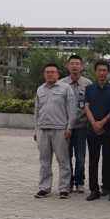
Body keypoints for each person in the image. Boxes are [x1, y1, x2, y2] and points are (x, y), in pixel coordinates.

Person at [34, 63, 77, 198]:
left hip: (60, 130)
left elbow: (72, 109)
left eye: (52, 72)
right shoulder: (40, 89)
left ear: (58, 74)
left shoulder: (65, 88)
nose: (50, 74)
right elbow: (37, 111)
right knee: (44, 161)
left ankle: (64, 188)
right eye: (47, 72)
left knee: (63, 160)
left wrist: (69, 127)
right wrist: (36, 129)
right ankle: (44, 188)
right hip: (43, 129)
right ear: (44, 74)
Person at [84, 61, 110, 201]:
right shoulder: (89, 89)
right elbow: (86, 107)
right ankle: (94, 189)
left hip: (108, 130)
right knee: (93, 161)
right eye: (99, 70)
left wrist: (102, 123)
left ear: (108, 72)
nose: (102, 73)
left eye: (104, 70)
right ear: (95, 72)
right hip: (92, 131)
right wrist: (94, 124)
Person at [63, 54, 92, 194]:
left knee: (80, 157)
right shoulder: (62, 84)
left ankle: (80, 182)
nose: (74, 66)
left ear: (82, 66)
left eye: (77, 64)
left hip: (81, 126)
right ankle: (68, 182)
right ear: (68, 66)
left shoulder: (88, 84)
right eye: (72, 63)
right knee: (66, 157)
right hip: (66, 127)